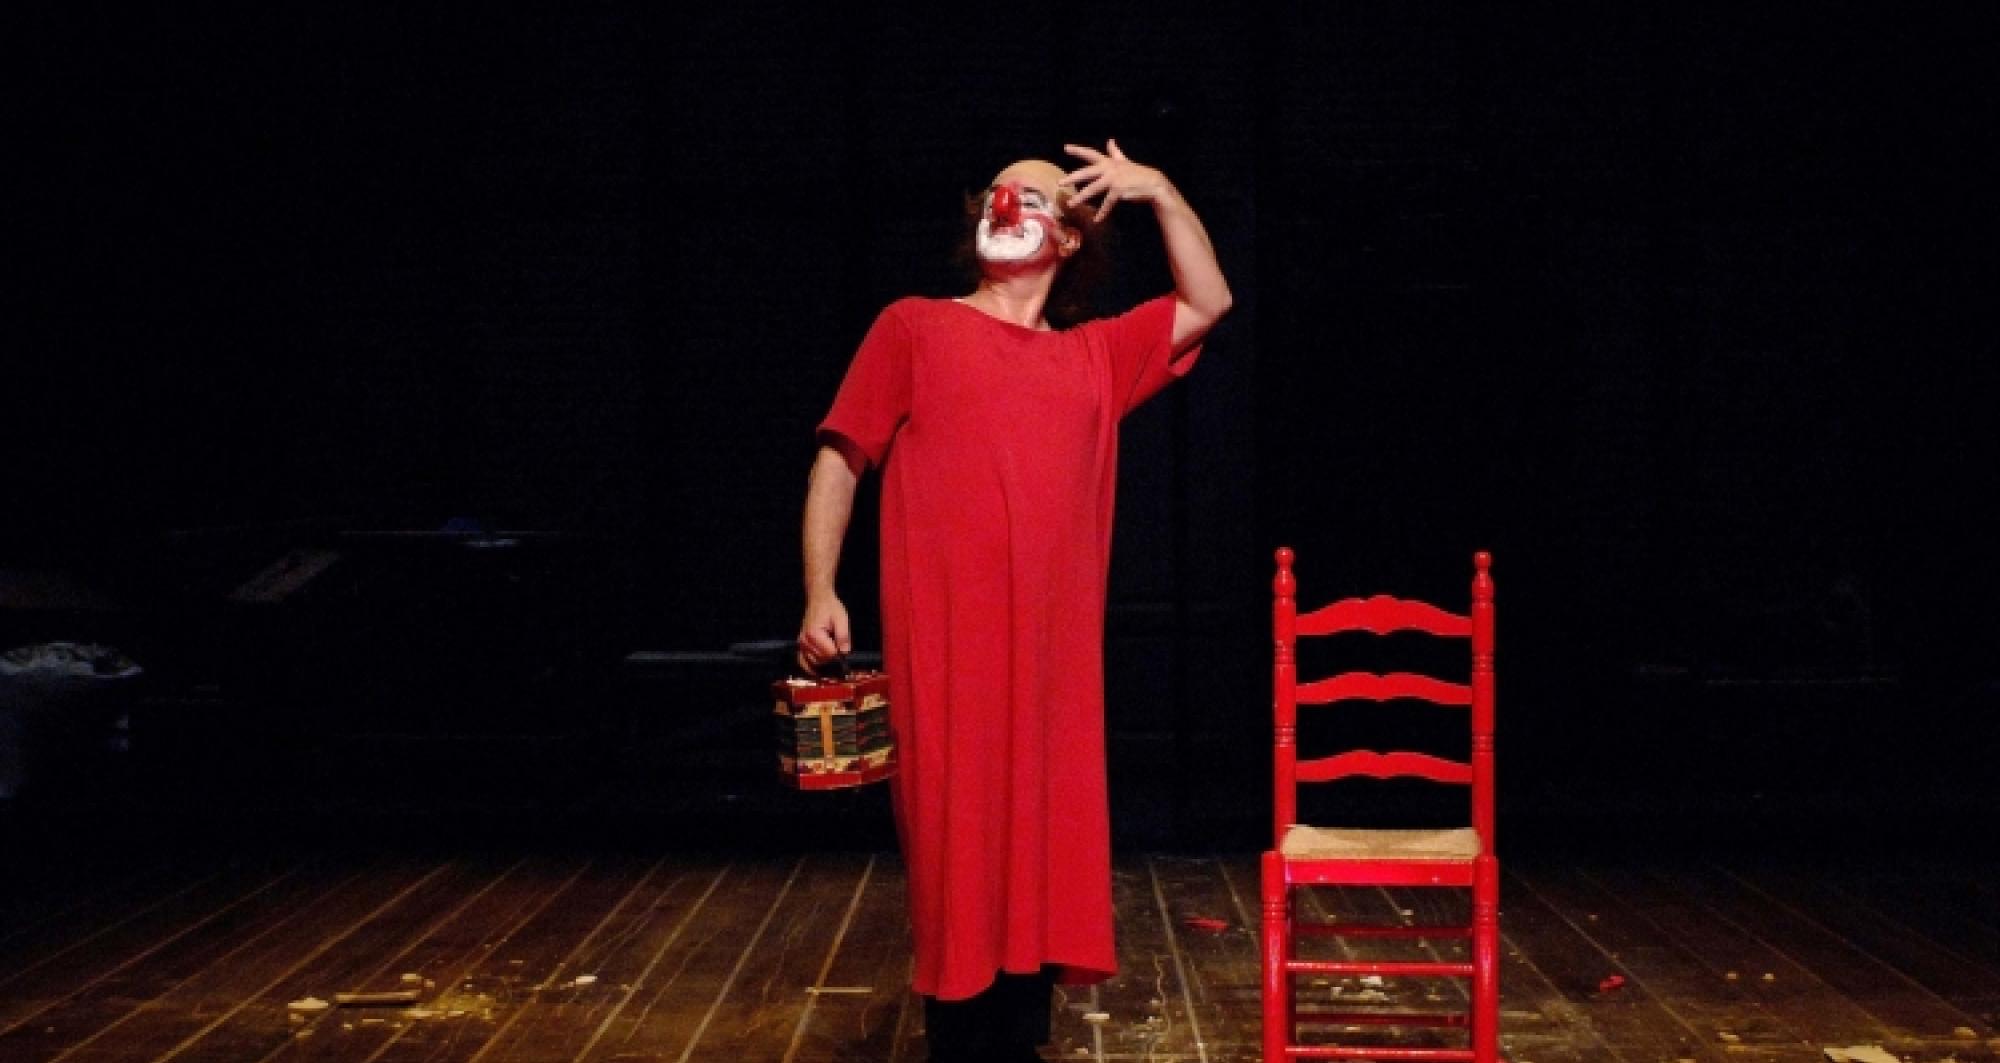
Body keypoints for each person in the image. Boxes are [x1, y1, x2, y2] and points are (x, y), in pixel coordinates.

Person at [797, 139, 1230, 1061]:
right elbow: (841, 455)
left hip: (1049, 674)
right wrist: (820, 587)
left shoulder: (1095, 356)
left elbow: (1208, 301)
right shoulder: (914, 326)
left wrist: (1159, 189)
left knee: (1040, 860)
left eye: (1031, 196)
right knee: (955, 858)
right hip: (947, 656)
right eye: (996, 193)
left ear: (1070, 238)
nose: (1006, 205)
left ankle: (1019, 1045)